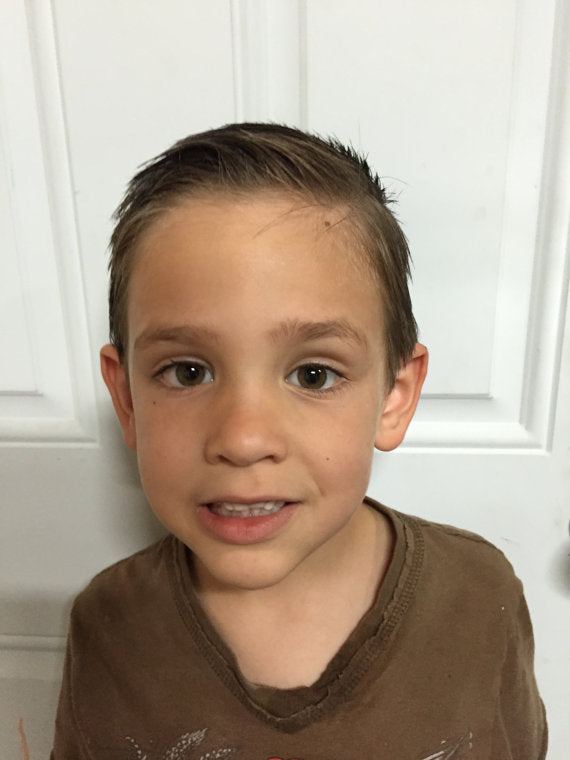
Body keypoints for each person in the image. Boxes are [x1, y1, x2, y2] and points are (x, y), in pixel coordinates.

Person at [51, 123, 547, 759]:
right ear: (126, 400)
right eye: (188, 372)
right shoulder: (109, 625)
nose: (243, 440)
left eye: (313, 375)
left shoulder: (479, 597)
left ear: (394, 397)